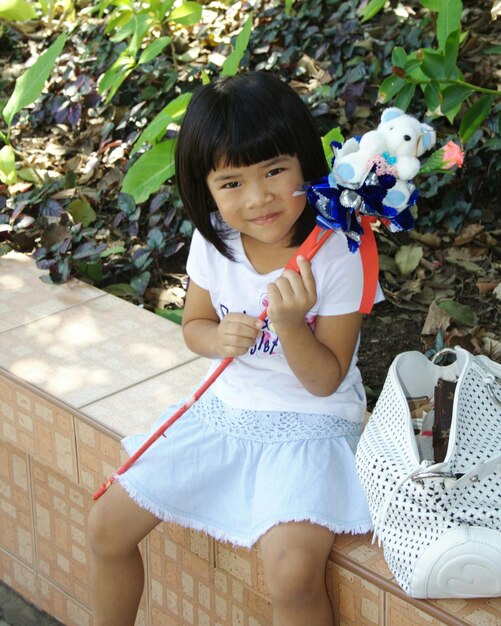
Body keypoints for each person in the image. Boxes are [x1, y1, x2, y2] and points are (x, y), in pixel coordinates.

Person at [88, 71, 381, 626]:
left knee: (292, 573)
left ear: (306, 165)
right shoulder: (215, 241)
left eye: (275, 171)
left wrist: (293, 327)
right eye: (232, 183)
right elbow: (195, 323)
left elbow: (325, 380)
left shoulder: (343, 248)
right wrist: (216, 336)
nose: (259, 198)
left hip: (311, 425)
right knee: (106, 524)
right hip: (226, 412)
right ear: (207, 189)